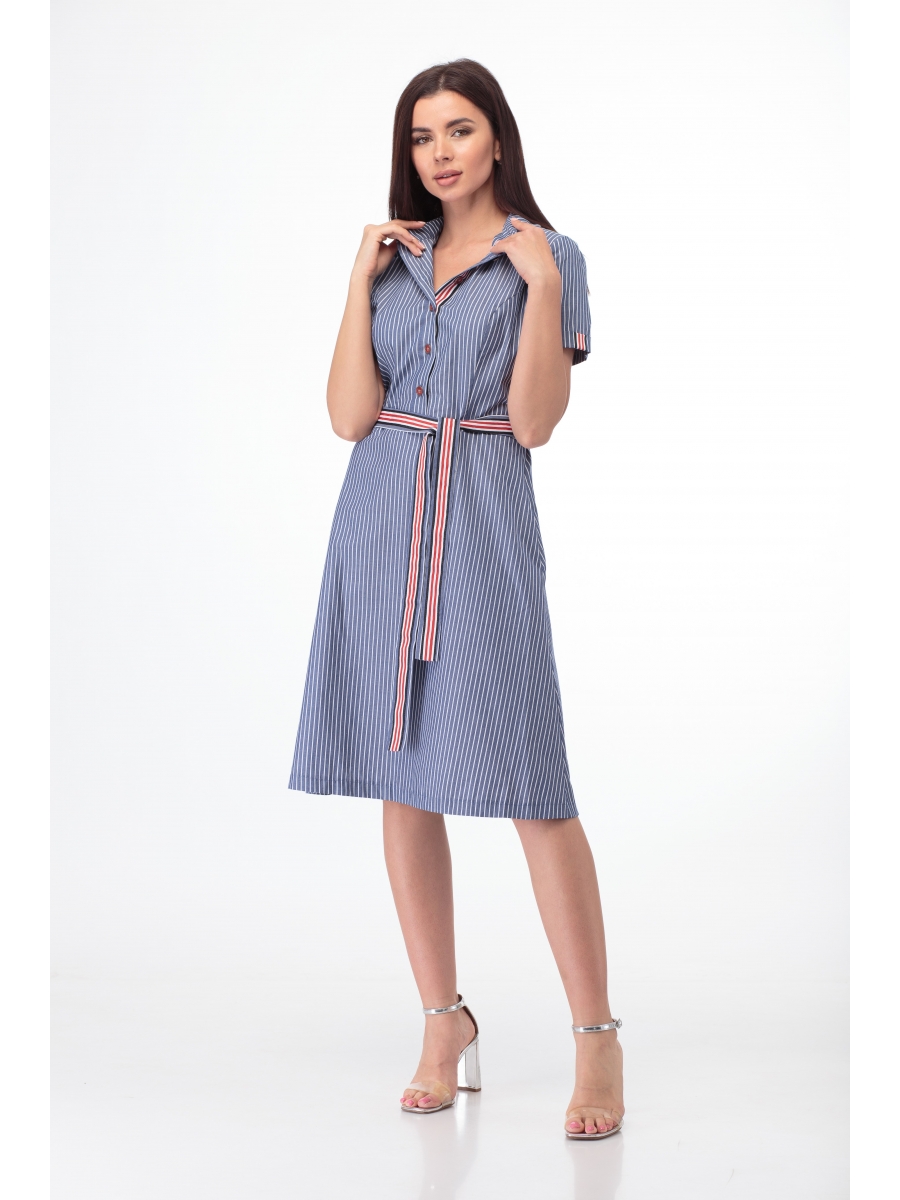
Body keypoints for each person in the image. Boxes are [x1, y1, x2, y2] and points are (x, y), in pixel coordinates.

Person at [289, 58, 624, 1140]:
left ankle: (596, 1039)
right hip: (379, 523)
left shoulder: (548, 255)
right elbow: (350, 417)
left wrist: (543, 290)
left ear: (497, 139)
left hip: (480, 522)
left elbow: (532, 424)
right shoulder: (392, 258)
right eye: (422, 135)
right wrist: (356, 282)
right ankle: (445, 1023)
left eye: (460, 130)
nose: (439, 152)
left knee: (533, 783)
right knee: (403, 776)